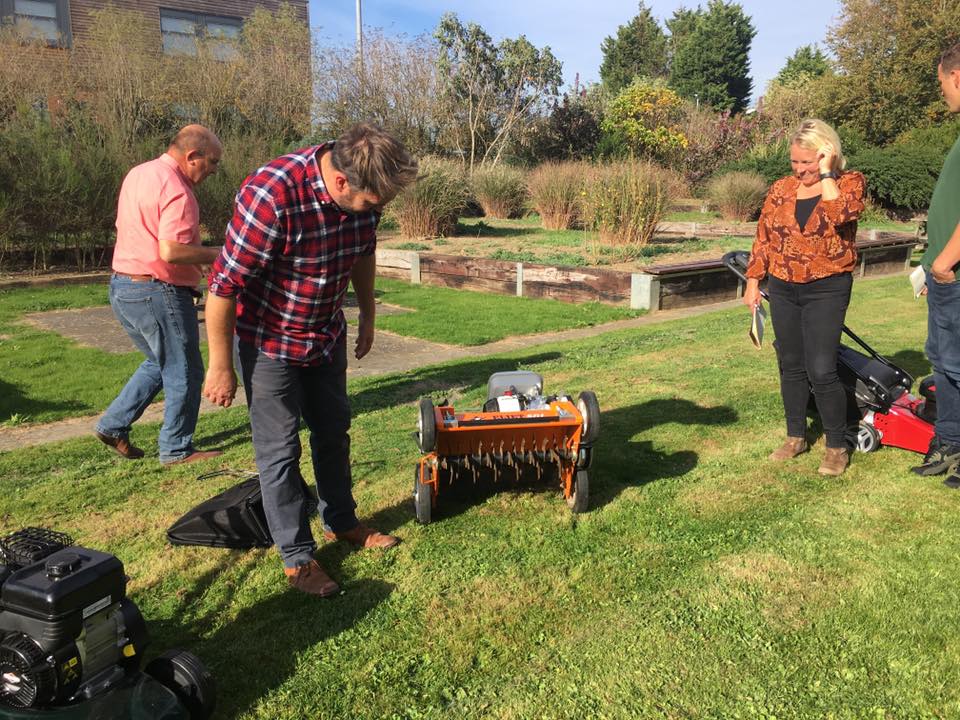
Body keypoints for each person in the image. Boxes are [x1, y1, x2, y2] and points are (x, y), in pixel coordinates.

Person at [203, 123, 418, 598]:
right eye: (372, 204)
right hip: (269, 343)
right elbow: (222, 286)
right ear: (340, 181)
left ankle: (341, 521)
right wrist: (220, 365)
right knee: (280, 451)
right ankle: (297, 558)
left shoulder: (365, 195)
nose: (376, 211)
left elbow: (363, 251)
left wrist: (367, 313)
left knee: (333, 432)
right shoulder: (272, 196)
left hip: (324, 335)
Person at [94, 125, 225, 467]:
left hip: (123, 287)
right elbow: (171, 250)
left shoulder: (140, 173)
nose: (213, 170)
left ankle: (113, 425)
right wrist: (219, 254)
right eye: (212, 162)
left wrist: (197, 261)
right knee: (185, 369)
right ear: (192, 156)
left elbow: (148, 235)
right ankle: (176, 449)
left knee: (159, 361)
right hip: (158, 291)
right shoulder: (178, 189)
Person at [743, 118, 866, 476]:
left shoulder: (849, 182)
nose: (799, 170)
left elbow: (841, 214)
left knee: (822, 368)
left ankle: (836, 446)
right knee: (791, 364)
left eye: (807, 162)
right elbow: (764, 236)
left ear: (827, 153)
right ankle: (795, 436)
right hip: (783, 286)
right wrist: (753, 281)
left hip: (827, 287)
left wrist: (826, 173)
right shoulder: (782, 188)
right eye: (795, 161)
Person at [914, 43, 960, 487]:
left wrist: (945, 262)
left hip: (955, 274)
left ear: (957, 77)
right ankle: (948, 443)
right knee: (944, 364)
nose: (942, 91)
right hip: (944, 276)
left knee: (958, 364)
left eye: (941, 82)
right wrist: (931, 267)